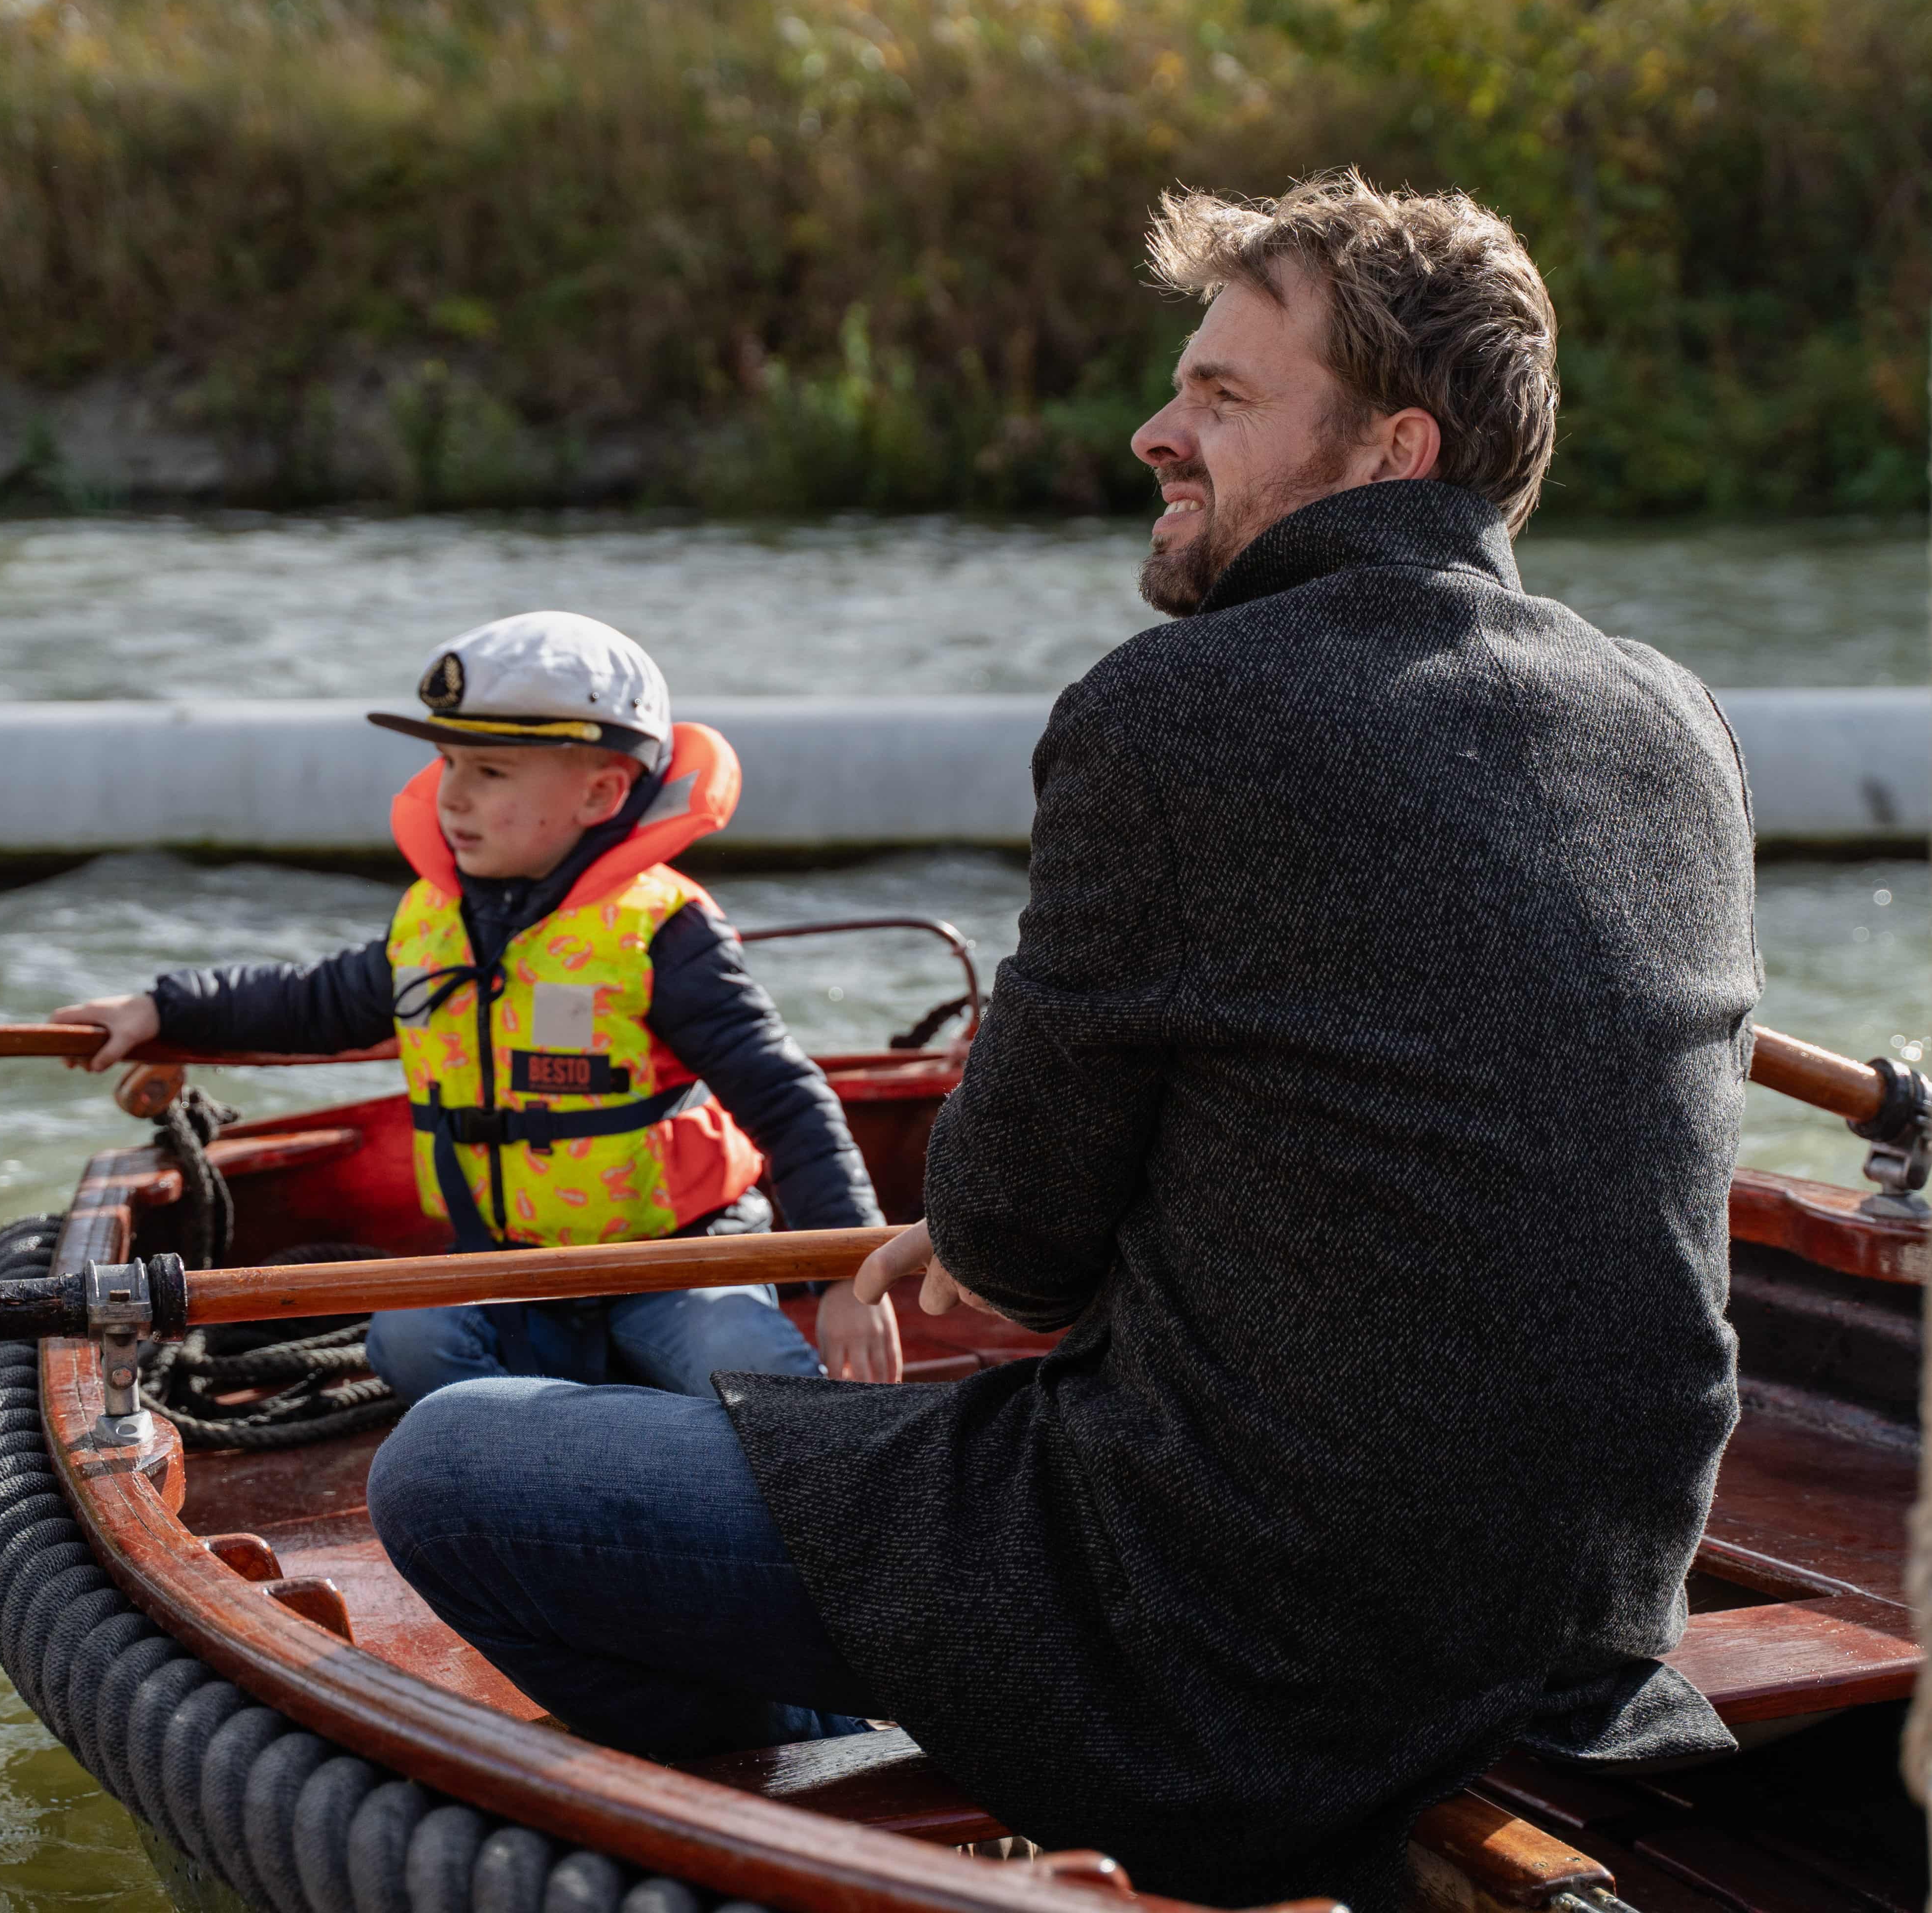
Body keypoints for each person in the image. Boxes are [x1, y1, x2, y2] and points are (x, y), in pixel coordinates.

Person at [368, 174, 1761, 1904]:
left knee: (456, 1459)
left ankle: (810, 1803)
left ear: (1393, 448)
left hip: (1243, 1613)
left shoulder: (1174, 710)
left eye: (1223, 398)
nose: (1151, 431)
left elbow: (1012, 1254)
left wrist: (990, 1226)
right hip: (1592, 1617)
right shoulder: (1670, 716)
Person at [49, 609, 902, 1399]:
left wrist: (847, 1273)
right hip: (514, 1270)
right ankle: (561, 1436)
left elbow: (787, 1101)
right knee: (410, 1340)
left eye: (489, 772)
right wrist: (160, 1009)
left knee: (743, 1364)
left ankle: (741, 1448)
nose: (451, 795)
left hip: (674, 1265)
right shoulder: (436, 920)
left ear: (602, 795)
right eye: (449, 763)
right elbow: (313, 1003)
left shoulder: (668, 935)